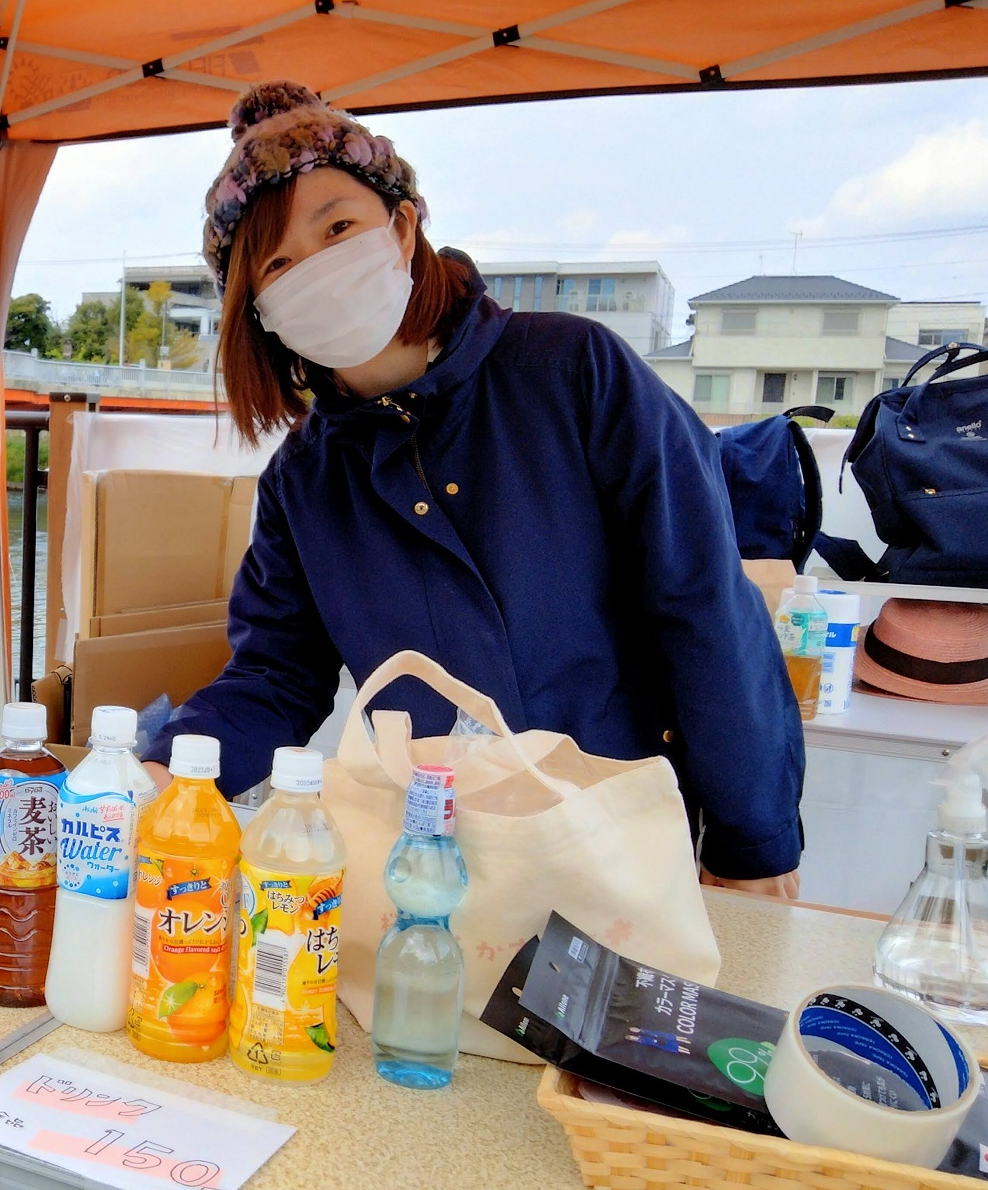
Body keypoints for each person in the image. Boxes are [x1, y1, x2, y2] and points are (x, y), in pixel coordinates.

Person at [143, 82, 802, 897]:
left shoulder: (574, 371)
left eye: (338, 227)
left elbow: (702, 603)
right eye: (277, 262)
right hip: (436, 864)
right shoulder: (302, 481)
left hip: (623, 840)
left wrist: (752, 840)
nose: (315, 268)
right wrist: (157, 773)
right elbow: (277, 673)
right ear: (261, 311)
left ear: (405, 223)